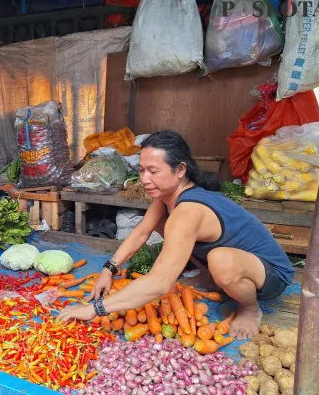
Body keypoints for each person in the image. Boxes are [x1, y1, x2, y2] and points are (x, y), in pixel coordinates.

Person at [58, 130, 294, 339]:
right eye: (141, 170)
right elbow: (141, 232)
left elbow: (160, 283)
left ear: (180, 169)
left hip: (271, 274)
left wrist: (95, 308)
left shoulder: (187, 212)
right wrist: (109, 269)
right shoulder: (168, 196)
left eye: (153, 171)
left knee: (219, 259)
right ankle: (209, 277)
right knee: (166, 226)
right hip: (239, 262)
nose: (144, 179)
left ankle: (249, 307)